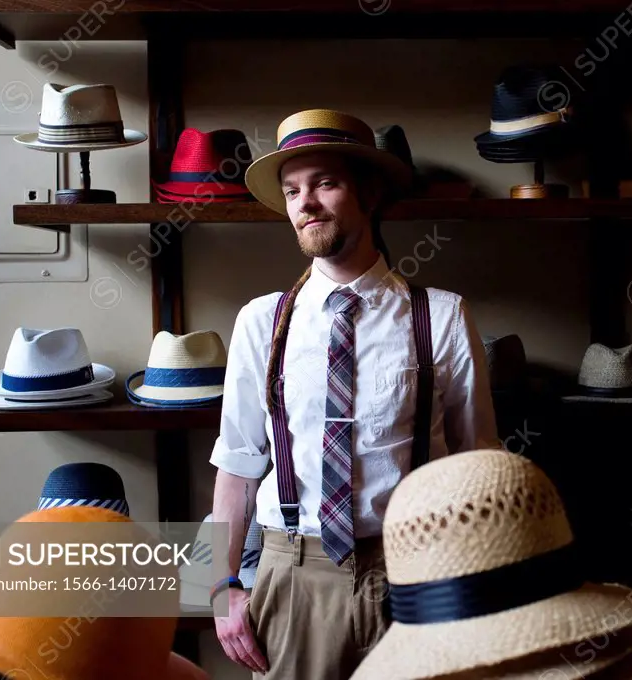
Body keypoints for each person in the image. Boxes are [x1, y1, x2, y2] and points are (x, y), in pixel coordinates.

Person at [208, 109, 500, 680]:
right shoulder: (260, 321)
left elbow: (478, 464)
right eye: (292, 190)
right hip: (293, 572)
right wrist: (220, 587)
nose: (304, 204)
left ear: (369, 194)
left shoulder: (441, 315)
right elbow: (237, 466)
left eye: (324, 183)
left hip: (417, 569)